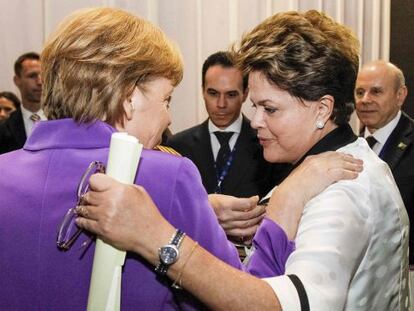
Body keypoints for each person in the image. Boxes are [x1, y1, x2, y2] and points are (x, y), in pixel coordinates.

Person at [0, 7, 363, 311]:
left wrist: (200, 210)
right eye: (167, 99)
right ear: (129, 97)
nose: (169, 118)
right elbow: (246, 296)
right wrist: (287, 203)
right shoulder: (166, 175)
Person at [76, 10, 410, 311]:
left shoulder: (341, 191)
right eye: (255, 105)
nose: (254, 120)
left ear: (322, 109)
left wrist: (157, 238)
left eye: (271, 109)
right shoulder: (322, 168)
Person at [167, 51, 285, 199]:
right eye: (213, 93)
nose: (221, 104)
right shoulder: (176, 146)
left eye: (231, 95)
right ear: (203, 91)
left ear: (245, 94)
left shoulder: (270, 144)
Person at [355, 60, 414, 264]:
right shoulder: (348, 146)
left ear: (400, 95)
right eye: (360, 92)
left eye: (376, 92)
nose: (365, 100)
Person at [0, 52, 44, 154]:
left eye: (44, 75)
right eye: (32, 76)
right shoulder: (4, 128)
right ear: (17, 80)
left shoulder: (62, 120)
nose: (40, 81)